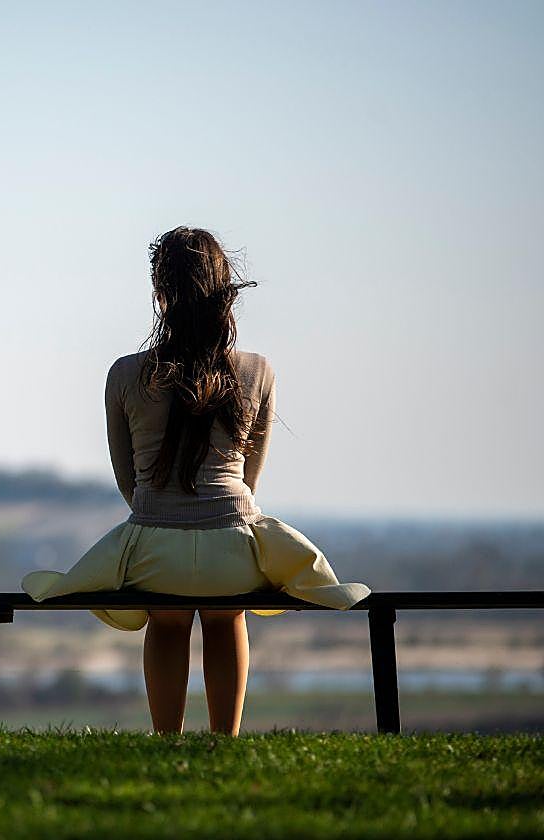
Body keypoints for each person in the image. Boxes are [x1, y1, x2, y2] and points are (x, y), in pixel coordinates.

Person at [21, 226, 370, 736]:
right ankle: (224, 741)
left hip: (154, 551)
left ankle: (167, 740)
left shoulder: (124, 374)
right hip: (232, 550)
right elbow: (250, 481)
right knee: (228, 618)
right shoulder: (258, 370)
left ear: (160, 294)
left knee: (166, 621)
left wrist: (166, 516)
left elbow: (128, 479)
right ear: (225, 290)